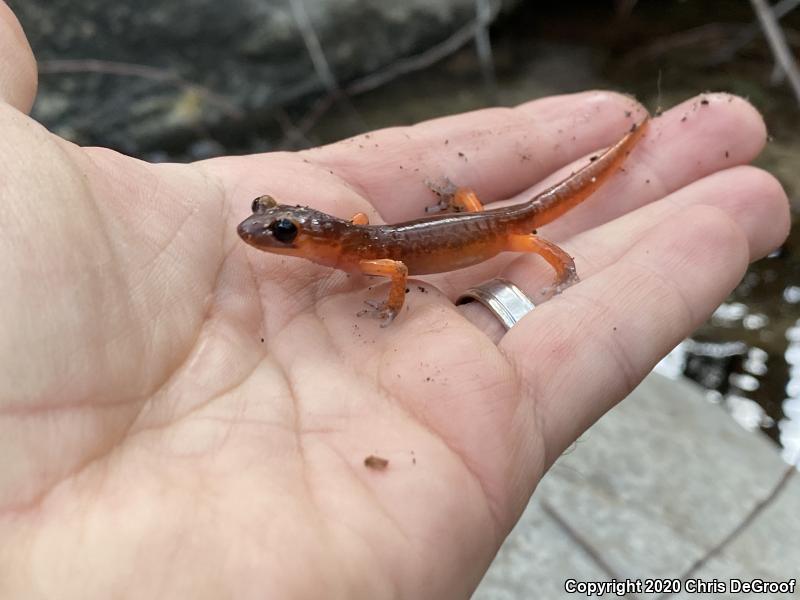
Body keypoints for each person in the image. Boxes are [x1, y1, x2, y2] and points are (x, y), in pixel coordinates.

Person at [0, 2, 790, 597]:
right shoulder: (355, 240)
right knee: (506, 219)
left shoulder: (372, 253)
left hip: (507, 224)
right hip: (477, 218)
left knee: (528, 231)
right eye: (277, 228)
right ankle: (608, 149)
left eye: (278, 232)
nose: (266, 238)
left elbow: (402, 278)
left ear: (316, 238)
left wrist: (414, 299)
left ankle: (620, 152)